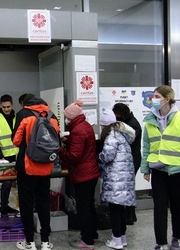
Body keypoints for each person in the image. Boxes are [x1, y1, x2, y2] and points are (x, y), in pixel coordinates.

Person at [140, 85, 180, 250]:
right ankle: (160, 242)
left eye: (157, 96)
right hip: (158, 171)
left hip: (178, 172)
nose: (153, 99)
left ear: (167, 99)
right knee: (159, 209)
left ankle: (177, 239)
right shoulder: (149, 121)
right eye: (153, 96)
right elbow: (147, 147)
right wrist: (145, 168)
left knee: (178, 208)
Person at [12, 96, 59, 250]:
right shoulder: (52, 116)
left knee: (26, 204)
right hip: (46, 166)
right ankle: (45, 241)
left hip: (27, 167)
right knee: (44, 203)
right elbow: (56, 141)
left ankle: (29, 242)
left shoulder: (23, 114)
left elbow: (16, 141)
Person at [58, 99, 100, 250]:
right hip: (91, 172)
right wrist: (69, 140)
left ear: (72, 117)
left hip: (83, 174)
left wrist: (60, 150)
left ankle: (87, 241)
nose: (66, 119)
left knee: (83, 209)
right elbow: (83, 144)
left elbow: (74, 156)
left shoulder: (77, 130)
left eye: (67, 117)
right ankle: (93, 234)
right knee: (89, 206)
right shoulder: (85, 126)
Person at [98, 108, 136, 250]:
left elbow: (107, 155)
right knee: (121, 209)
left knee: (114, 209)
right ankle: (122, 238)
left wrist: (99, 157)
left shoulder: (111, 136)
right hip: (125, 177)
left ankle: (116, 239)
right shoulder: (122, 135)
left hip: (116, 178)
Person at [112, 103, 142, 225]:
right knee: (128, 188)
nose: (116, 117)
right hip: (131, 159)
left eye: (117, 114)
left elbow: (127, 142)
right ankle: (130, 215)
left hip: (132, 160)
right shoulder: (128, 122)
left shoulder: (133, 125)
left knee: (128, 189)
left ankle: (129, 216)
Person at [0, 94, 19, 215]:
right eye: (4, 107)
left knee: (20, 181)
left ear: (12, 105)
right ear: (1, 106)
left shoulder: (17, 117)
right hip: (4, 157)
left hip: (18, 154)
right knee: (6, 183)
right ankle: (4, 207)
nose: (6, 109)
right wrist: (0, 155)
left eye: (8, 106)